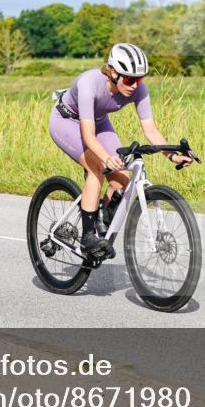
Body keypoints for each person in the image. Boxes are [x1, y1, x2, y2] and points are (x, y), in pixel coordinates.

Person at [49, 43, 192, 255]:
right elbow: (88, 136)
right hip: (67, 121)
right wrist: (106, 157)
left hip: (99, 121)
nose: (135, 85)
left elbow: (150, 130)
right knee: (97, 166)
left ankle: (101, 222)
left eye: (140, 79)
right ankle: (88, 238)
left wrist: (172, 155)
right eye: (130, 79)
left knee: (122, 179)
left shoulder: (138, 90)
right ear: (113, 72)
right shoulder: (90, 83)